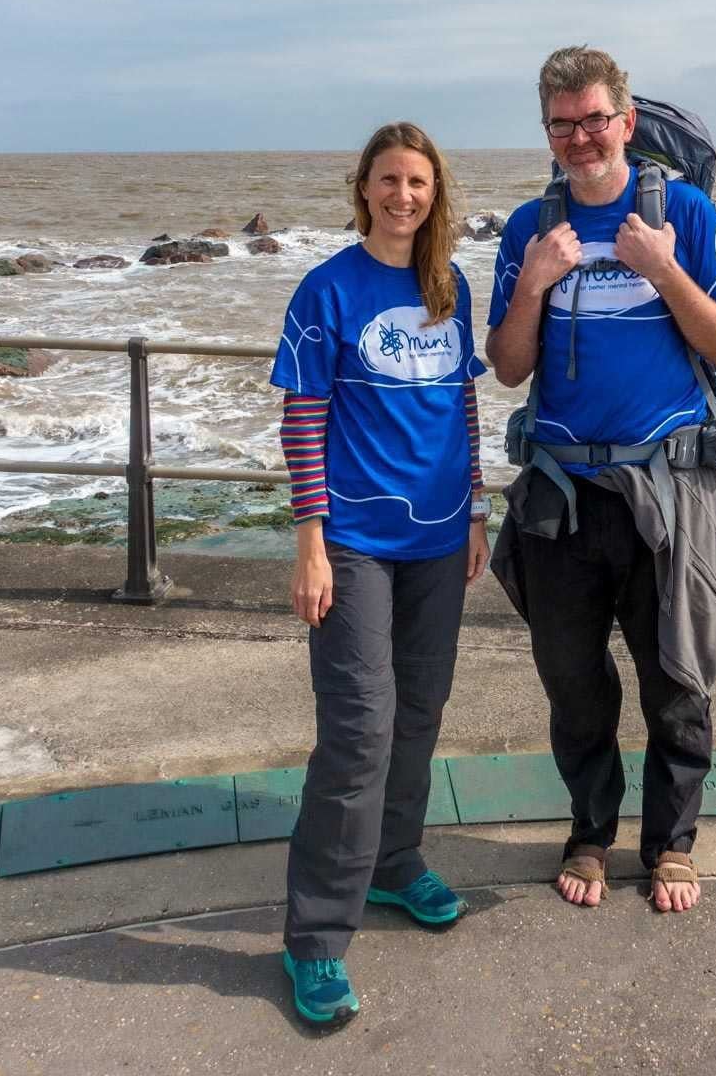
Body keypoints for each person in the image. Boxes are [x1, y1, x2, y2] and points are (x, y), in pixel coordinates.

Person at [487, 46, 716, 915]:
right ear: (548, 131)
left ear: (626, 122)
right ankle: (590, 830)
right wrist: (533, 282)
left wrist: (663, 268)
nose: (581, 138)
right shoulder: (527, 229)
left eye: (594, 120)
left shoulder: (679, 212)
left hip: (669, 496)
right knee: (574, 683)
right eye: (562, 125)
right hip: (564, 497)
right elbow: (506, 367)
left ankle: (672, 844)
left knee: (676, 680)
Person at [269, 122, 490, 1026]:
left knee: (422, 711)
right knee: (359, 728)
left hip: (440, 540)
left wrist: (477, 509)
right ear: (362, 187)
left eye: (420, 183)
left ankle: (396, 862)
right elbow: (302, 419)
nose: (405, 195)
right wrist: (311, 541)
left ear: (436, 194)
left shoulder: (450, 287)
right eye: (390, 180)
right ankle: (316, 938)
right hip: (354, 543)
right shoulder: (327, 289)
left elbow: (464, 403)